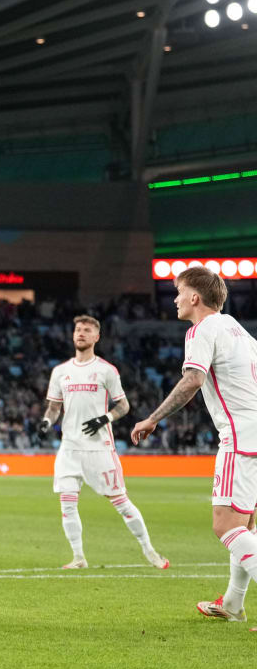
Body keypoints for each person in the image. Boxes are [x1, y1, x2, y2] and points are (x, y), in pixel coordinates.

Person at [132, 267, 257, 625]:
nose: (174, 299)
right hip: (254, 431)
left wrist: (153, 417)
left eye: (178, 291)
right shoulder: (241, 332)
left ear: (194, 297)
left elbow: (193, 380)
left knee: (226, 526)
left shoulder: (202, 329)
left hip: (241, 438)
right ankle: (233, 603)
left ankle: (234, 603)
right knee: (247, 526)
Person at [40, 315, 167, 570]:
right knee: (67, 503)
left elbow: (124, 405)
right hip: (69, 448)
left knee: (120, 502)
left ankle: (149, 550)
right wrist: (46, 421)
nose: (81, 333)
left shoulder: (106, 370)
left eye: (87, 330)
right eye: (78, 329)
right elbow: (54, 407)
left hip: (98, 448)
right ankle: (78, 557)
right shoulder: (61, 372)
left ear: (97, 337)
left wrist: (104, 418)